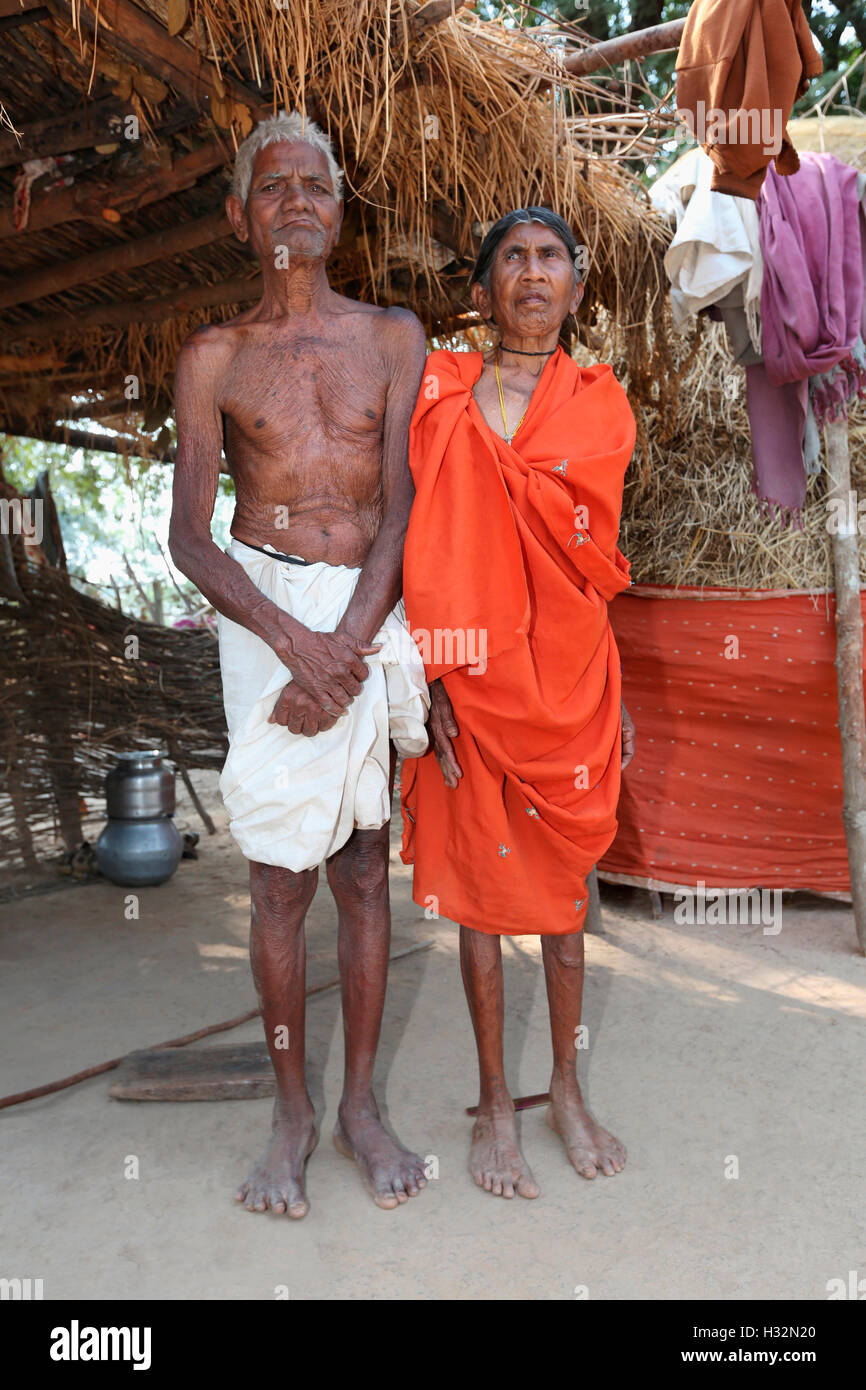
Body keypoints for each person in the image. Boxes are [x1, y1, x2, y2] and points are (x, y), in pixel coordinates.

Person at [169, 111, 430, 1218]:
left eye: (313, 184)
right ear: (240, 216)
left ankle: (360, 1105)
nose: (294, 202)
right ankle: (290, 1111)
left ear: (338, 206)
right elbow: (188, 534)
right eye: (270, 187)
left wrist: (352, 641)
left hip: (361, 611)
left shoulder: (392, 336)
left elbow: (405, 497)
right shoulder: (212, 358)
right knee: (277, 880)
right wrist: (295, 646)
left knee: (365, 871)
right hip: (267, 616)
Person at [401, 208, 636, 1199]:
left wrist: (599, 691)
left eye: (550, 260)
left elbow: (588, 564)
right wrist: (435, 680)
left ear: (575, 291)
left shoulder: (599, 404)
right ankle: (496, 1100)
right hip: (469, 685)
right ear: (482, 288)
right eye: (512, 258)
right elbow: (417, 543)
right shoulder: (439, 397)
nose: (532, 273)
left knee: (565, 901)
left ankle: (566, 1089)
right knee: (478, 904)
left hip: (569, 686)